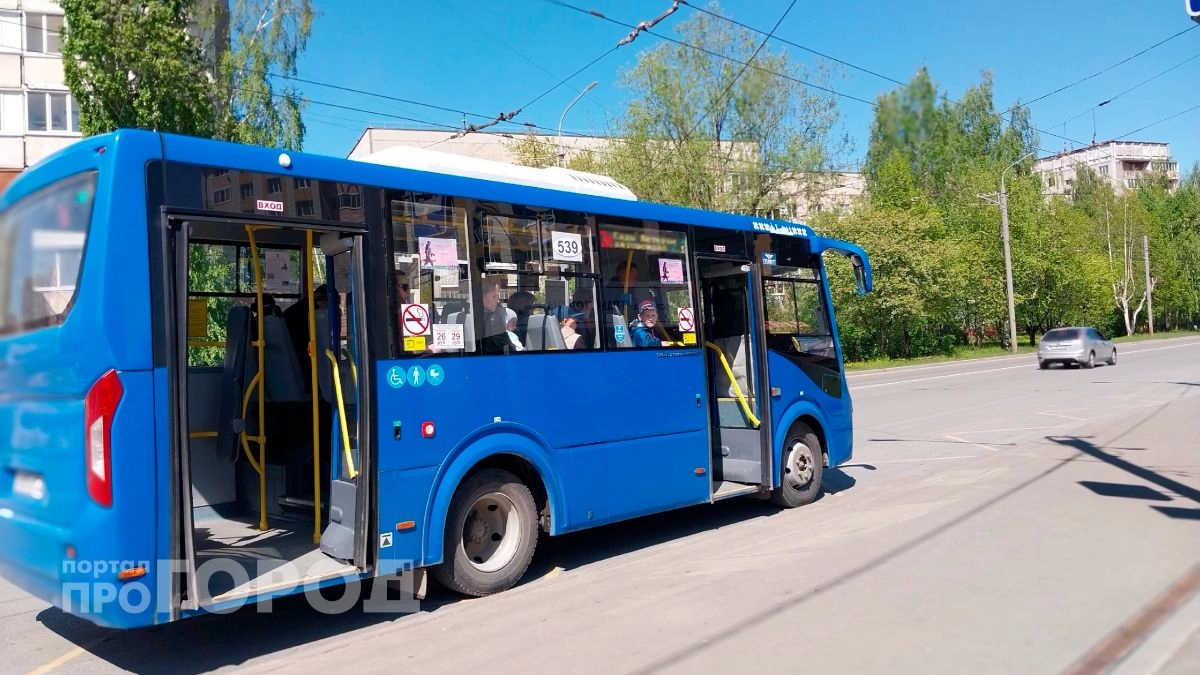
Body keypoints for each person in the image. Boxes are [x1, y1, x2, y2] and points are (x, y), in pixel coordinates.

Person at [477, 278, 511, 354]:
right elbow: (507, 347)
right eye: (494, 296)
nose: (498, 300)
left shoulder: (465, 316)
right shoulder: (493, 319)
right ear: (481, 297)